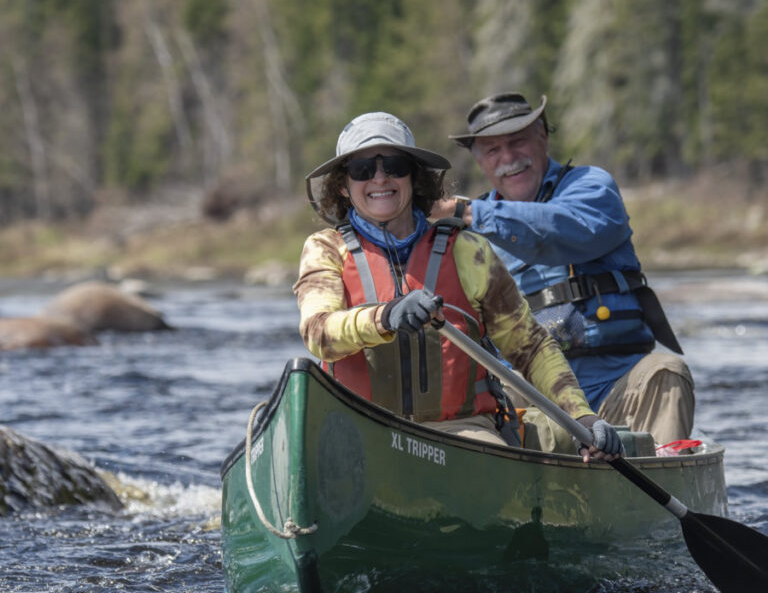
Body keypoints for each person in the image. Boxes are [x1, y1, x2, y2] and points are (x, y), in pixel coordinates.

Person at [294, 111, 623, 461]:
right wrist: (385, 317)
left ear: (414, 177)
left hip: (460, 430)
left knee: (494, 458)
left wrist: (582, 416)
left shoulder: (469, 251)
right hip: (359, 426)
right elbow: (318, 333)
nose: (379, 178)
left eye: (393, 165)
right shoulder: (326, 250)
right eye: (362, 170)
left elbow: (531, 347)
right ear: (344, 185)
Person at [432, 93, 694, 453]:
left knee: (667, 373)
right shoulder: (465, 234)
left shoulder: (592, 188)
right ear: (479, 161)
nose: (508, 158)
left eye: (517, 141)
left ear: (543, 136)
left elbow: (567, 231)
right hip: (529, 391)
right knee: (476, 403)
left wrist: (469, 213)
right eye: (492, 150)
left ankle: (660, 482)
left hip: (617, 383)